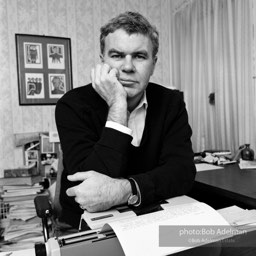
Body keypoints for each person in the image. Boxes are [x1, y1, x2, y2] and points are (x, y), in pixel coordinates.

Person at [55, 11, 196, 228]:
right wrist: (118, 106)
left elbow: (182, 173)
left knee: (215, 246)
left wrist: (124, 190)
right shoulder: (72, 105)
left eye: (139, 56)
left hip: (153, 218)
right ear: (102, 61)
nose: (128, 67)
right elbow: (89, 191)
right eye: (117, 56)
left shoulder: (171, 102)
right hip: (87, 227)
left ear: (154, 63)